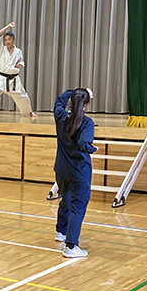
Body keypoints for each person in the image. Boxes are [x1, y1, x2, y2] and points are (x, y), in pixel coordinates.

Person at [53, 88, 97, 259]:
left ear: (70, 101)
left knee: (66, 200)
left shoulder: (60, 116)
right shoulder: (87, 123)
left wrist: (75, 92)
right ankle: (71, 246)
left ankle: (61, 231)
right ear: (86, 105)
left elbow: (59, 99)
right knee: (77, 208)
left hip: (61, 170)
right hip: (79, 172)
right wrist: (93, 148)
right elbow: (83, 144)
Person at [0, 22, 37, 119]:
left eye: (9, 39)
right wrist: (8, 26)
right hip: (1, 78)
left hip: (14, 80)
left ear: (13, 40)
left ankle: (29, 112)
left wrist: (20, 65)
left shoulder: (18, 51)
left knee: (23, 96)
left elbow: (21, 62)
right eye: (6, 40)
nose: (7, 42)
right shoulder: (1, 49)